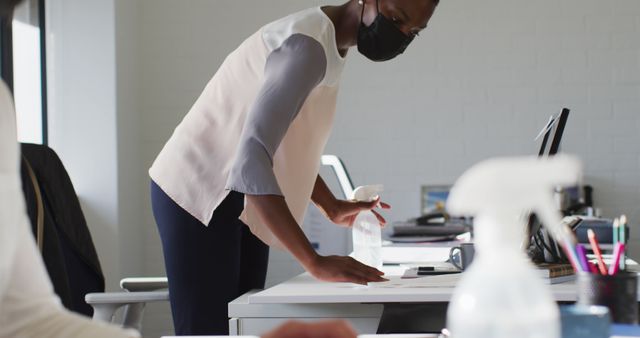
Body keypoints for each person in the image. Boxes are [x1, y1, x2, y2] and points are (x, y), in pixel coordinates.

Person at [150, 0, 438, 335]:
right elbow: (251, 160)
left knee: (243, 323)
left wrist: (330, 204)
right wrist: (314, 262)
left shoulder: (331, 43)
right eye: (396, 19)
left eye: (413, 32)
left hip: (241, 190)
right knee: (211, 332)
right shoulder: (308, 47)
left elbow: (278, 143)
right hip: (199, 189)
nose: (401, 35)